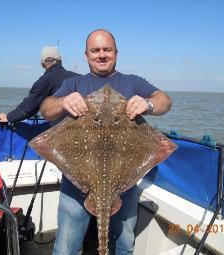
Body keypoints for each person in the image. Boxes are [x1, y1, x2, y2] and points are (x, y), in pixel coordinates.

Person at [40, 29, 172, 255]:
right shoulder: (73, 83)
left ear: (116, 53)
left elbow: (165, 101)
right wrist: (63, 101)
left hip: (123, 184)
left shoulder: (133, 83)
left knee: (124, 245)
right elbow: (46, 110)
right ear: (86, 55)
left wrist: (148, 104)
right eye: (95, 50)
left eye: (107, 50)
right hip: (75, 183)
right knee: (65, 247)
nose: (101, 55)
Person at [0, 46, 77, 123]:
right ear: (61, 60)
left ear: (42, 64)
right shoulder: (77, 77)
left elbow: (28, 108)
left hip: (59, 130)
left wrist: (9, 117)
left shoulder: (44, 81)